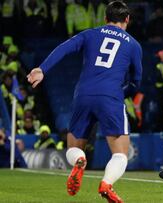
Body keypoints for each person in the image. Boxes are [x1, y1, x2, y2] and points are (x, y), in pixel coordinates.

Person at [27, 1, 142, 202]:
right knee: (120, 153)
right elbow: (136, 81)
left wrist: (42, 69)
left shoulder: (90, 34)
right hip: (111, 96)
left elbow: (64, 48)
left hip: (83, 94)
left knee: (74, 145)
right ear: (127, 20)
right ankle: (106, 184)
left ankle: (79, 160)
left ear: (105, 19)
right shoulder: (133, 44)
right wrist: (122, 93)